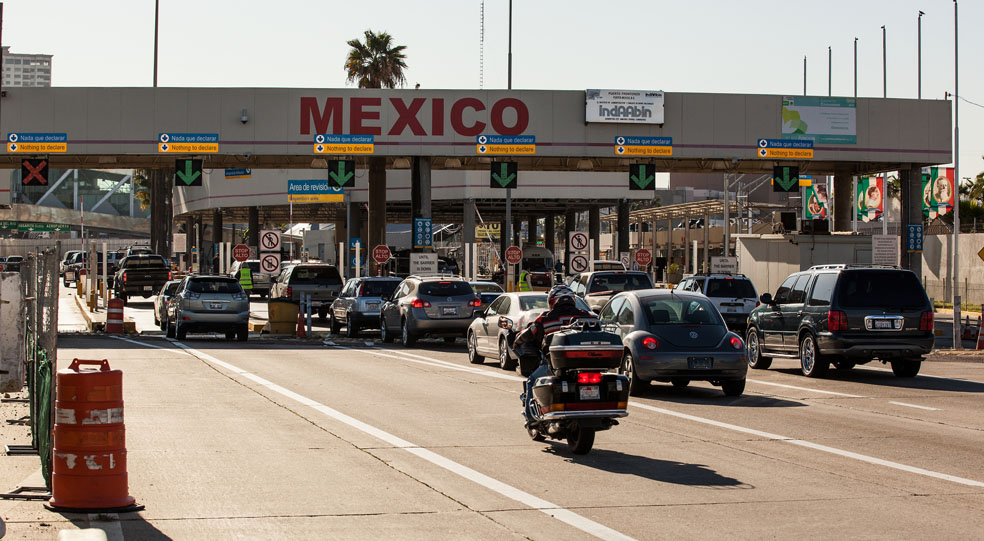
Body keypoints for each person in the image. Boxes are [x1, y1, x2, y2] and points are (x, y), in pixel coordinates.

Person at [519, 284, 594, 424]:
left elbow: (530, 334)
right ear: (572, 299)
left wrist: (517, 340)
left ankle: (531, 420)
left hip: (556, 365)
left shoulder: (546, 318)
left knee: (531, 382)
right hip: (587, 364)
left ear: (552, 301)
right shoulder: (586, 316)